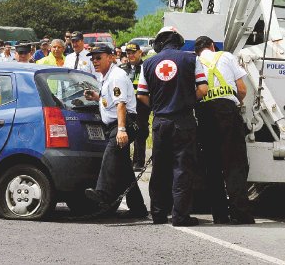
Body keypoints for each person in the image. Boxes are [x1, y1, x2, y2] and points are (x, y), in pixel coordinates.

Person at [136, 26, 208, 227]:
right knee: (182, 170)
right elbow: (203, 88)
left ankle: (158, 214)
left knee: (159, 169)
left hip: (160, 122)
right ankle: (180, 217)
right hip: (183, 121)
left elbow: (142, 94)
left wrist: (159, 107)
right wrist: (185, 102)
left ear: (160, 42)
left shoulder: (148, 63)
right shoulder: (192, 59)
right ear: (178, 41)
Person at [193, 36, 254, 225]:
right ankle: (240, 213)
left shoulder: (194, 62)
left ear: (198, 52)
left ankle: (219, 215)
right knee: (234, 163)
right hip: (227, 112)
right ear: (212, 46)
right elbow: (242, 90)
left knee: (212, 165)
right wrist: (235, 103)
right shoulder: (226, 56)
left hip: (204, 114)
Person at [83, 44, 148, 218]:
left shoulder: (116, 77)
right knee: (126, 170)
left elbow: (121, 104)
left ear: (111, 57)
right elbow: (112, 101)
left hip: (123, 123)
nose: (95, 61)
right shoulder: (107, 76)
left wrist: (121, 130)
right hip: (117, 123)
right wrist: (97, 97)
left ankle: (103, 193)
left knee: (110, 155)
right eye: (93, 58)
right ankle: (138, 208)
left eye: (99, 57)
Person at [120, 42, 151, 172]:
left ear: (140, 53)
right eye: (128, 53)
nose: (131, 55)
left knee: (140, 133)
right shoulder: (121, 68)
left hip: (141, 106)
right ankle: (124, 162)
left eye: (133, 52)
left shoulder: (146, 67)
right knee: (123, 133)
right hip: (125, 106)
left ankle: (139, 162)